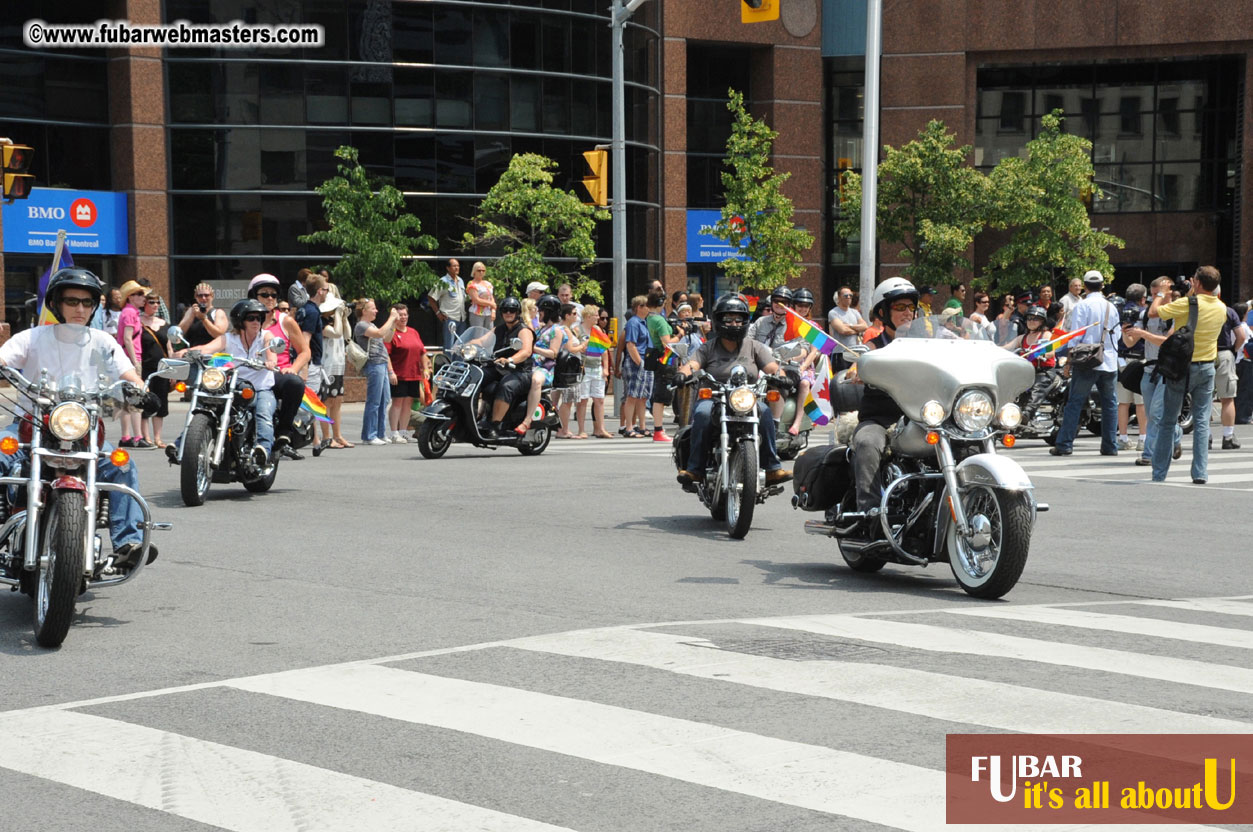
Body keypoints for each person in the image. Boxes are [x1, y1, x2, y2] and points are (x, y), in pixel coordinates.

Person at [0, 268, 156, 568]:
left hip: (82, 429)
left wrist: (140, 390)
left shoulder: (101, 342)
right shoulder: (32, 338)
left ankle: (128, 543)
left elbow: (126, 374)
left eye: (87, 302)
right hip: (30, 425)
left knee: (123, 466)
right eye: (72, 301)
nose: (80, 309)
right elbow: (6, 358)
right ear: (57, 304)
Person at [674, 294, 792, 488]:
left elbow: (772, 367)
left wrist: (782, 376)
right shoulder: (709, 347)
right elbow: (693, 364)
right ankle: (695, 470)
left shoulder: (754, 346)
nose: (734, 323)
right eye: (728, 319)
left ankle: (771, 468)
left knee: (765, 412)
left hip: (746, 398)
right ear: (719, 320)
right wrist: (683, 374)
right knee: (702, 414)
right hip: (715, 397)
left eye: (738, 319)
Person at [1146, 265, 1227, 484]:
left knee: (1168, 420)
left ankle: (1159, 472)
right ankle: (1200, 473)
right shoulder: (1221, 307)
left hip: (1181, 367)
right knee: (1202, 421)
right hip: (1207, 366)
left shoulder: (1186, 304)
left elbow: (1153, 312)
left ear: (1197, 283)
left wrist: (1161, 294)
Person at [847, 277, 918, 518]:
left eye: (911, 307)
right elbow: (861, 361)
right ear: (883, 312)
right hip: (881, 421)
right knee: (868, 442)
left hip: (920, 420)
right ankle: (869, 511)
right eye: (900, 307)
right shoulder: (875, 346)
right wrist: (858, 370)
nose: (907, 312)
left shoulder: (926, 344)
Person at [184, 299, 280, 465]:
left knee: (264, 413)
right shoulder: (228, 338)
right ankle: (182, 444)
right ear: (240, 320)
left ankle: (263, 450)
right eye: (251, 318)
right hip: (233, 387)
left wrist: (271, 360)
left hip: (260, 388)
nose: (256, 322)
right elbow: (208, 349)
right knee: (202, 405)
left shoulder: (266, 336)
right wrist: (186, 352)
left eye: (259, 318)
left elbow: (271, 350)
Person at [1051, 270, 1120, 457]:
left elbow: (1076, 335)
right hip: (1108, 360)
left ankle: (1065, 444)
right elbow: (1117, 335)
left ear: (1085, 286)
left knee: (1075, 402)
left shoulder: (1082, 306)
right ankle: (1110, 445)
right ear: (1102, 285)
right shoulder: (1111, 307)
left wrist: (1069, 360)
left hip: (1086, 361)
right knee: (1110, 404)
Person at [1123, 276, 1183, 468]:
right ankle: (1175, 435)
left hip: (1167, 369)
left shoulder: (1177, 314)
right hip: (1149, 369)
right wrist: (1126, 331)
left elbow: (1167, 342)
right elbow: (1130, 342)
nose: (1155, 297)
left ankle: (1149, 454)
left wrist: (1143, 334)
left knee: (1157, 413)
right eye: (1154, 294)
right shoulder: (1145, 316)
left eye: (1158, 293)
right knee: (1152, 413)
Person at [250, 273, 311, 459]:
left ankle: (284, 432)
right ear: (253, 296)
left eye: (273, 295)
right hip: (248, 372)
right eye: (264, 294)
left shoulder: (286, 321)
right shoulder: (245, 319)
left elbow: (305, 351)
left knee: (295, 383)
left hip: (276, 372)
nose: (270, 299)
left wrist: (293, 369)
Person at [475, 297, 535, 440]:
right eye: (505, 310)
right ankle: (475, 415)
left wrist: (510, 360)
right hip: (499, 368)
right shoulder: (499, 328)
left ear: (518, 312)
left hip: (520, 371)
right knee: (477, 377)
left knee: (506, 385)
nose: (508, 313)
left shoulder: (524, 330)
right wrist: (465, 346)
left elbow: (526, 351)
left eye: (512, 310)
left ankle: (495, 426)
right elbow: (482, 341)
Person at [517, 294, 568, 436]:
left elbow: (553, 353)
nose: (539, 314)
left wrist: (533, 348)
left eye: (541, 311)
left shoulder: (556, 330)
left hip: (545, 368)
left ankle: (527, 420)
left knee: (535, 380)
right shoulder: (541, 329)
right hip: (530, 365)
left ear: (549, 312)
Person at [353, 298, 400, 445]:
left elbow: (387, 337)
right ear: (364, 311)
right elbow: (380, 333)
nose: (376, 311)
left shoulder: (371, 324)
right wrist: (391, 317)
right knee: (374, 401)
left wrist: (393, 324)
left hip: (382, 364)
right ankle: (369, 435)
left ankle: (380, 432)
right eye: (373, 309)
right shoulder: (361, 326)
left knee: (384, 400)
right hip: (373, 364)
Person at [1003, 305, 1058, 420]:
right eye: (1029, 318)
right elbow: (1007, 347)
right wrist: (992, 347)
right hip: (1027, 372)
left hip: (1043, 371)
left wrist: (1040, 354)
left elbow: (1051, 352)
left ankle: (1026, 415)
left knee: (1037, 388)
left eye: (1035, 319)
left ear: (1042, 321)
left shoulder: (1046, 335)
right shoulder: (1022, 338)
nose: (1031, 321)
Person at [385, 303, 426, 444]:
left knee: (408, 403)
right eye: (400, 315)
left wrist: (425, 369)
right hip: (399, 374)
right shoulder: (391, 333)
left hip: (413, 374)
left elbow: (422, 352)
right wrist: (391, 372)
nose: (403, 317)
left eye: (405, 314)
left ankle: (403, 431)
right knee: (397, 402)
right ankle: (394, 432)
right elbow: (386, 354)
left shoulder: (413, 332)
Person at [115, 280, 149, 448]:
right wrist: (135, 361)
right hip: (131, 358)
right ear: (131, 297)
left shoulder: (130, 312)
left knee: (127, 400)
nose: (144, 298)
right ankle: (137, 437)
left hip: (128, 357)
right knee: (136, 397)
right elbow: (128, 338)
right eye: (140, 295)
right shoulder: (130, 313)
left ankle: (127, 436)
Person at [318, 284, 353, 449]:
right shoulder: (321, 320)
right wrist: (338, 315)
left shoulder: (337, 320)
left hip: (338, 364)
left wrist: (344, 317)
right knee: (326, 401)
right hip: (326, 365)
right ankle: (326, 436)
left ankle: (338, 435)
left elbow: (347, 335)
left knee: (337, 401)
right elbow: (336, 333)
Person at [1115, 284, 1148, 452]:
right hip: (1139, 358)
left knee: (1123, 401)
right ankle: (1143, 438)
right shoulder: (1141, 313)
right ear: (1143, 298)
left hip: (1120, 358)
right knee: (1141, 402)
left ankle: (1123, 437)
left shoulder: (1117, 310)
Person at [572, 305, 613, 439]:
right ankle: (581, 430)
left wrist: (606, 368)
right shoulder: (577, 330)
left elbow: (604, 350)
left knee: (599, 399)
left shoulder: (597, 329)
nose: (598, 317)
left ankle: (601, 429)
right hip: (584, 368)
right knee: (582, 400)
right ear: (588, 316)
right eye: (596, 315)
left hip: (597, 368)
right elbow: (573, 348)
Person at [785, 288, 821, 436]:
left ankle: (798, 421)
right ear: (794, 305)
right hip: (783, 362)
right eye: (800, 305)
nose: (803, 308)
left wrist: (804, 366)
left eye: (806, 306)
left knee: (805, 383)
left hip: (804, 366)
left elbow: (814, 351)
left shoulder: (811, 326)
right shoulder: (786, 322)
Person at [643, 291, 677, 442]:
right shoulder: (659, 320)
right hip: (666, 360)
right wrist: (681, 334)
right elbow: (667, 343)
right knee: (661, 396)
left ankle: (659, 429)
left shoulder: (650, 318)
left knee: (660, 395)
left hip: (659, 360)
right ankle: (658, 430)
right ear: (660, 303)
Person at [139, 292, 171, 448]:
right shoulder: (138, 322)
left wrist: (172, 370)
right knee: (145, 402)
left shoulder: (164, 323)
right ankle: (146, 437)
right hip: (145, 368)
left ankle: (158, 438)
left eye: (157, 302)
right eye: (151, 302)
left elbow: (169, 348)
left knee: (161, 403)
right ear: (144, 303)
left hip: (162, 369)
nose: (155, 305)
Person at [1215, 293, 1246, 450]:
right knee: (1227, 398)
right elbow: (1241, 335)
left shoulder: (1195, 309)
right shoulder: (1228, 311)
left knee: (1202, 399)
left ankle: (1204, 437)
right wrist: (1233, 351)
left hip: (1201, 355)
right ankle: (1228, 437)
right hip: (1223, 353)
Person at [618, 295, 652, 438]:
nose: (649, 309)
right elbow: (630, 345)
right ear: (639, 307)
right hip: (636, 363)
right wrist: (640, 363)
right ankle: (629, 427)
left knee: (643, 397)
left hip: (646, 360)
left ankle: (642, 427)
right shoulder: (633, 322)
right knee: (632, 396)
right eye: (647, 306)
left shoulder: (643, 322)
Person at [555, 302, 584, 438]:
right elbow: (570, 349)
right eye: (573, 314)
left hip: (567, 366)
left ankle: (562, 428)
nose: (576, 316)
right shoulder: (564, 329)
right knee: (567, 400)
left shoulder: (567, 328)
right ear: (566, 315)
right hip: (568, 367)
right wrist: (583, 344)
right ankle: (563, 429)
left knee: (561, 399)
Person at [300, 272, 329, 405]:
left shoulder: (305, 309)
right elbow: (305, 341)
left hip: (306, 363)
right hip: (310, 365)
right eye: (326, 290)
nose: (327, 293)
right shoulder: (312, 312)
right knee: (309, 406)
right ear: (320, 291)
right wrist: (305, 369)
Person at [428, 258, 467, 351]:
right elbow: (431, 297)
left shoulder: (460, 280)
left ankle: (459, 365)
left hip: (462, 318)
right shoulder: (442, 281)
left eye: (458, 266)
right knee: (449, 346)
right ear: (448, 268)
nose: (457, 268)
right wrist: (438, 313)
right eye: (454, 266)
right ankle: (449, 364)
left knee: (461, 345)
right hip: (450, 318)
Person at [827, 285, 868, 371]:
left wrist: (849, 325)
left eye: (851, 295)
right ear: (839, 297)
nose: (849, 297)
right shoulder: (833, 312)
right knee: (840, 379)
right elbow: (843, 330)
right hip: (840, 353)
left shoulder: (855, 312)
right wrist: (857, 331)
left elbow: (865, 326)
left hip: (855, 352)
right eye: (846, 295)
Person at [177, 282, 228, 349]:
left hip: (212, 354)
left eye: (206, 295)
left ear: (212, 296)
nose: (203, 298)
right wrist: (191, 316)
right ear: (196, 297)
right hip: (193, 353)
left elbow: (219, 335)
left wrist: (204, 319)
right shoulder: (191, 311)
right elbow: (178, 334)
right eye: (200, 296)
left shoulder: (217, 313)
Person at [467, 261, 496, 329]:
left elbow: (491, 297)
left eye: (483, 270)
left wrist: (493, 311)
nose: (481, 272)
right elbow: (476, 300)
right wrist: (492, 304)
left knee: (489, 335)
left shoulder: (488, 283)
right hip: (477, 314)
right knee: (478, 335)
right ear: (474, 271)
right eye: (479, 270)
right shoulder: (472, 284)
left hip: (488, 313)